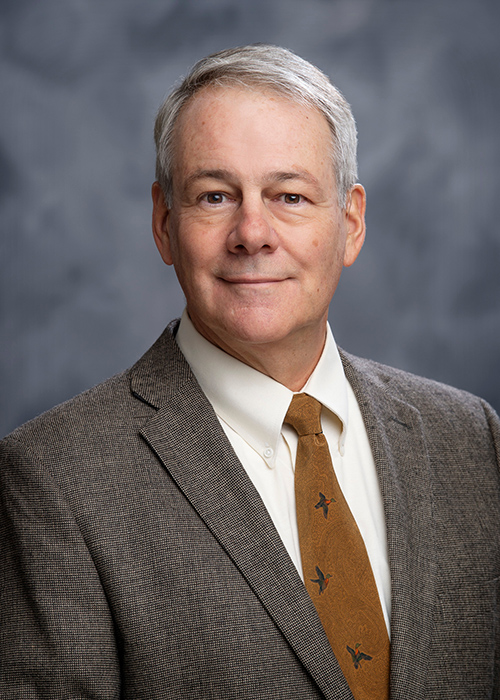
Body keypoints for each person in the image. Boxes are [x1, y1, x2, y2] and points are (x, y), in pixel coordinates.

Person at [1, 44, 499, 700]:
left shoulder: (471, 440)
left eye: (289, 195)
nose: (252, 233)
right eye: (214, 196)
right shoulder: (53, 478)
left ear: (350, 224)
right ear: (163, 222)